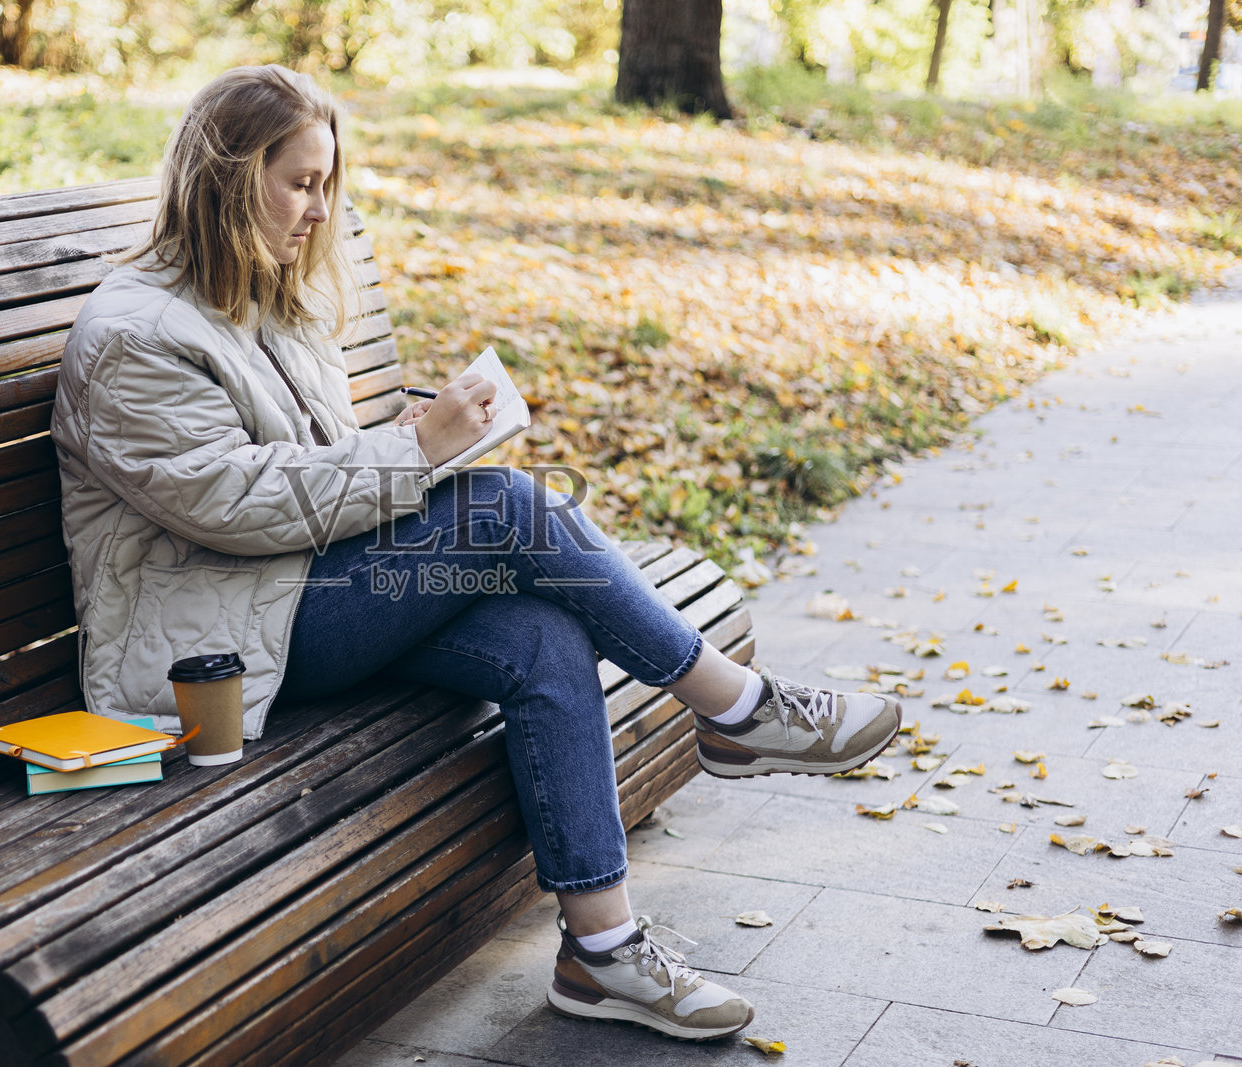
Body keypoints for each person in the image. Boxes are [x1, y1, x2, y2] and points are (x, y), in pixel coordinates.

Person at [51, 64, 902, 1043]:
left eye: (329, 183)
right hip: (215, 647)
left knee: (540, 630)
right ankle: (736, 708)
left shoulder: (261, 297)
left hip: (291, 596)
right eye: (299, 182)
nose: (319, 207)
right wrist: (418, 452)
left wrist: (411, 443)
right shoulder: (136, 334)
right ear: (228, 178)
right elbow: (229, 502)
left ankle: (603, 948)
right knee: (500, 504)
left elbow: (295, 473)